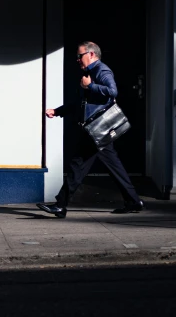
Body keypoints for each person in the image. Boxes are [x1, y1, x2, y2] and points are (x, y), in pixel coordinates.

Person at [37, 41, 144, 218]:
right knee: (113, 166)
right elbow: (79, 103)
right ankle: (133, 201)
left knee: (77, 166)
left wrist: (90, 86)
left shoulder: (101, 71)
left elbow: (112, 91)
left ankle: (61, 205)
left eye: (80, 56)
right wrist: (57, 111)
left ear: (92, 54)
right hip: (95, 130)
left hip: (97, 129)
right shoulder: (88, 73)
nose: (78, 60)